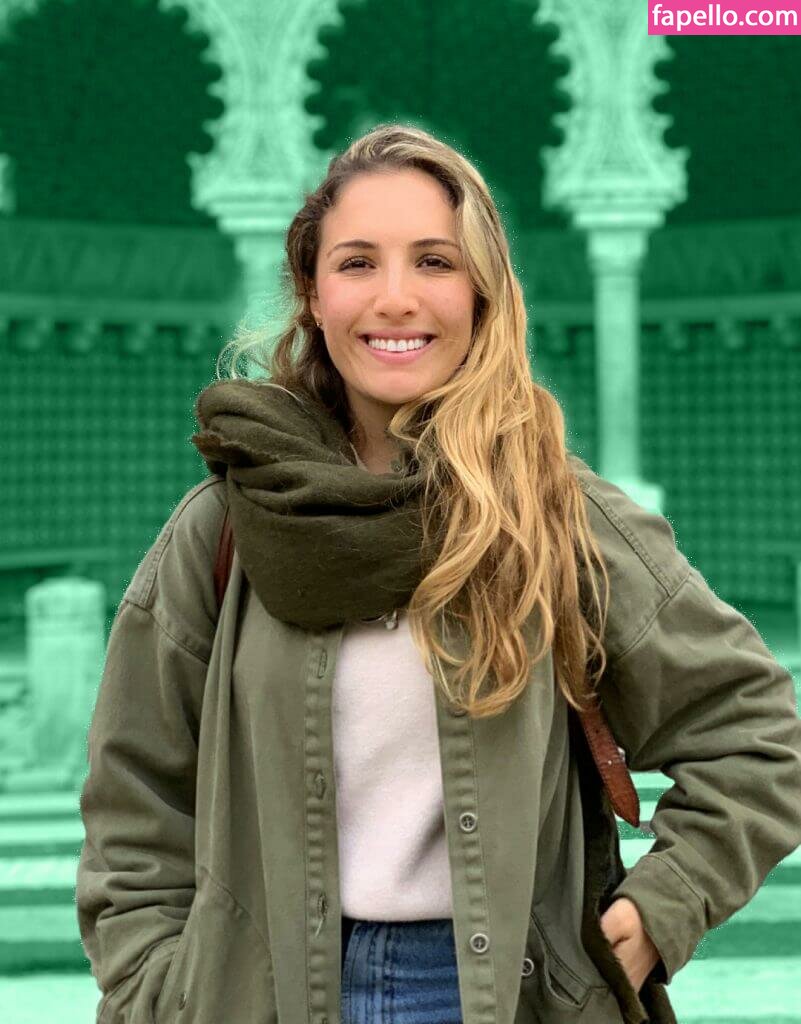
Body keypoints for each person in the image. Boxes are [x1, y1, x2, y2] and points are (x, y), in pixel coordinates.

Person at [76, 123, 801, 1024]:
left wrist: (662, 907)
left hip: (497, 996)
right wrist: (162, 986)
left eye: (433, 261)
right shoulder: (227, 527)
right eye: (356, 263)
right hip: (262, 995)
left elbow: (755, 737)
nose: (395, 298)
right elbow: (134, 797)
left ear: (481, 292)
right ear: (312, 293)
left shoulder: (557, 520)